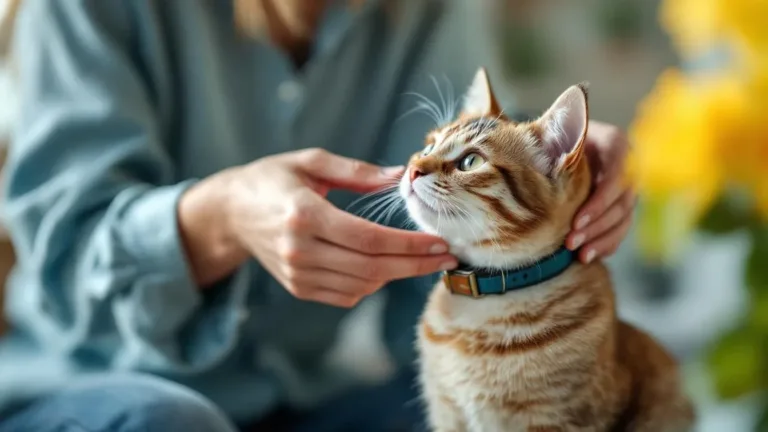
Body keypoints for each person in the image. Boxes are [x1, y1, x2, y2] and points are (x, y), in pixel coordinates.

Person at [0, 0, 635, 430]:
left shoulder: (431, 11)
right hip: (87, 385)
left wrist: (559, 199)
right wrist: (219, 220)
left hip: (306, 397)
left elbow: (441, 259)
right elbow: (64, 266)